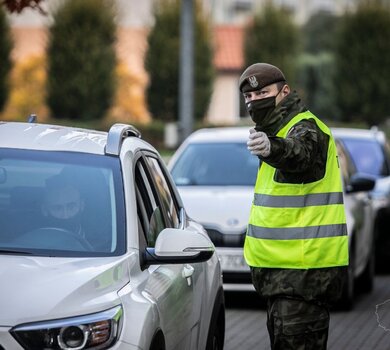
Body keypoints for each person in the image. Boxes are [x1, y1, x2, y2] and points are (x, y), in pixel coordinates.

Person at [239, 63, 348, 349]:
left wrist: (273, 148)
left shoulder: (305, 127)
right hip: (284, 279)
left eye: (262, 92)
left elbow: (298, 153)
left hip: (303, 276)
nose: (254, 101)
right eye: (248, 97)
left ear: (284, 91)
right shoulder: (278, 128)